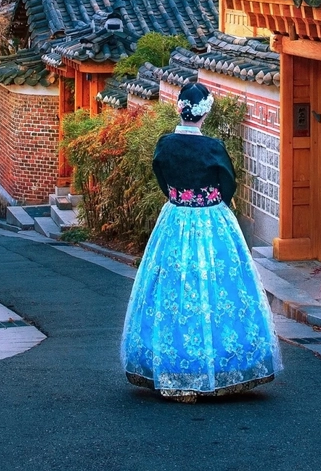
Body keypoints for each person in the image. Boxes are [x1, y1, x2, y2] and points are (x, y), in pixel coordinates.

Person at [121, 82, 282, 400]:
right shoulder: (213, 147)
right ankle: (222, 370)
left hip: (176, 218)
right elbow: (228, 183)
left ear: (179, 109)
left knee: (172, 289)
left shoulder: (165, 144)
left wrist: (179, 197)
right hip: (211, 219)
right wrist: (210, 201)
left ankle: (174, 369)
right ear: (205, 112)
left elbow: (161, 178)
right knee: (217, 287)